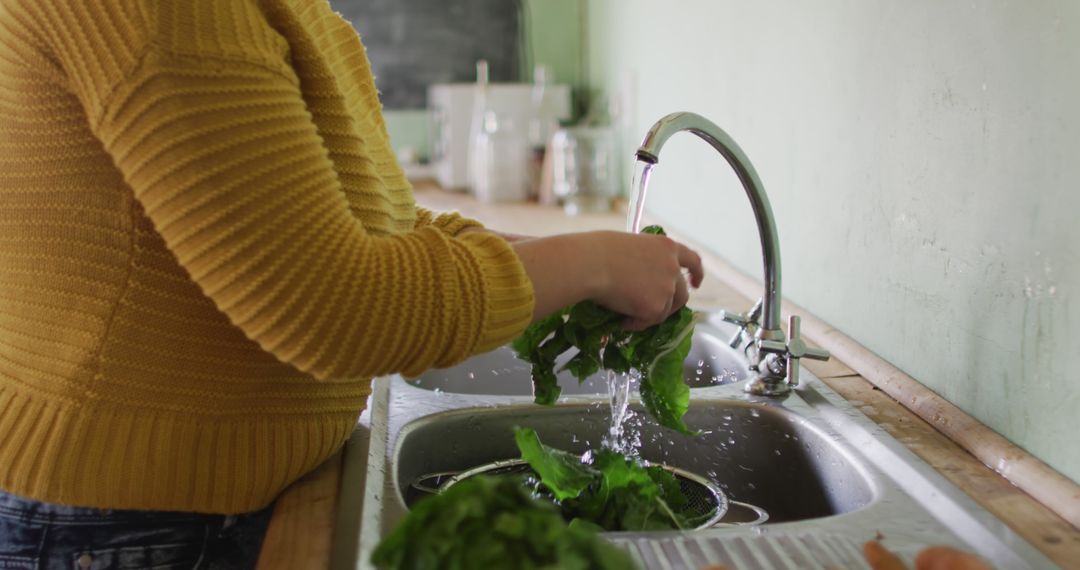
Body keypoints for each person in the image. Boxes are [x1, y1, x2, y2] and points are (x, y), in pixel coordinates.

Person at [0, 0, 703, 567]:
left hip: (180, 508)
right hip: (129, 523)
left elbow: (357, 227)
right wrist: (590, 264)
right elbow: (333, 307)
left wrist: (579, 260)